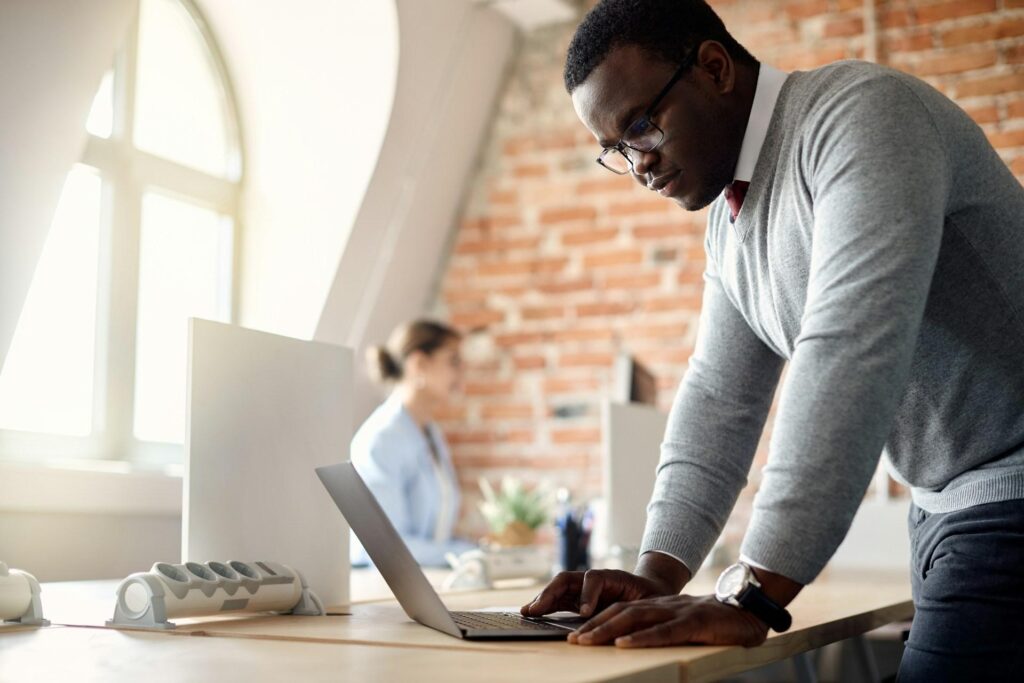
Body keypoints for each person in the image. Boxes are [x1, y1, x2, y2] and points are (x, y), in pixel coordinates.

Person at [520, 1, 1024, 678]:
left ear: (715, 68)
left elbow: (848, 346)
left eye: (641, 126)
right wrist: (656, 573)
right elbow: (719, 399)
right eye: (615, 149)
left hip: (1007, 494)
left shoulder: (860, 117)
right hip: (946, 510)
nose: (637, 165)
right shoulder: (731, 222)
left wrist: (756, 591)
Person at [350, 320, 476, 567]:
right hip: (381, 588)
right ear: (420, 363)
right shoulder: (382, 439)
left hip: (427, 581)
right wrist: (466, 554)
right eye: (453, 361)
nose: (462, 373)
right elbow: (384, 549)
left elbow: (434, 534)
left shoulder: (431, 433)